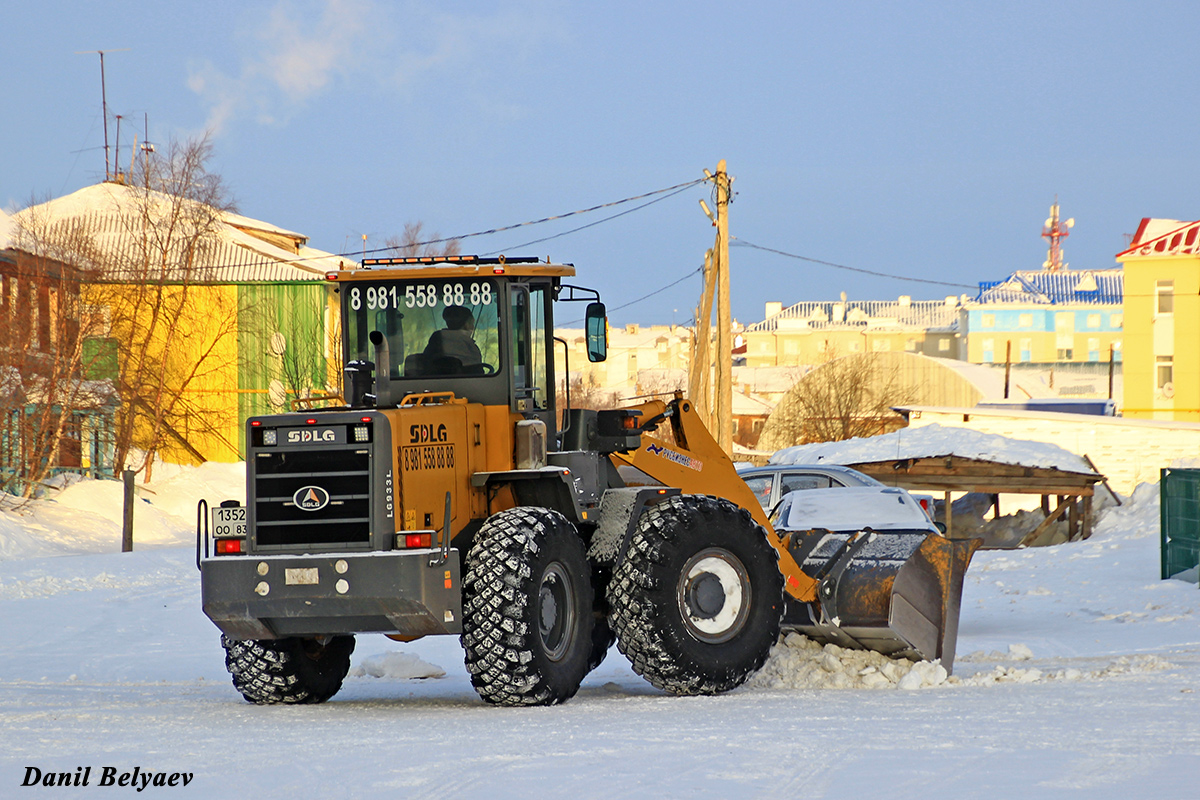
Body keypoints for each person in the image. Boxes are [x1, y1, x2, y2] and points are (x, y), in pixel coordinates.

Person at [424, 304, 482, 369]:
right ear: (466, 325)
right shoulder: (471, 349)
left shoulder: (434, 344)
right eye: (471, 323)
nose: (473, 327)